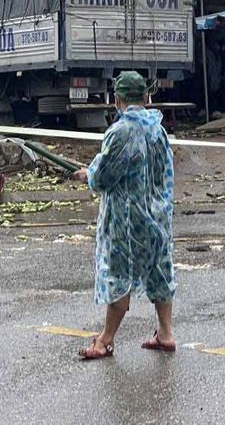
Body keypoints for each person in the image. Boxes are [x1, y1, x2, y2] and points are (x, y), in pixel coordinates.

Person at [73, 71, 176, 360]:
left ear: (117, 99)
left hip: (128, 220)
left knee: (119, 275)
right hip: (158, 215)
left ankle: (105, 340)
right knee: (160, 271)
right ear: (145, 97)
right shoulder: (158, 129)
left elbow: (104, 175)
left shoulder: (121, 131)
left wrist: (88, 175)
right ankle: (166, 333)